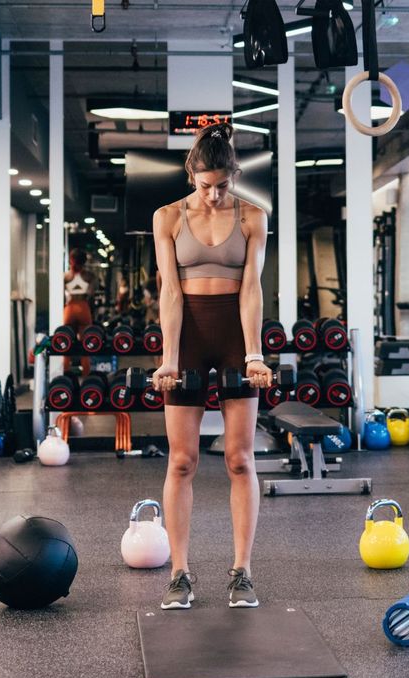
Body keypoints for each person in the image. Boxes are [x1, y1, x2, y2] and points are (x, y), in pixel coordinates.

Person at [150, 122, 271, 610]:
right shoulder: (167, 217)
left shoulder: (253, 216)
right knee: (182, 461)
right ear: (191, 176)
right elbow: (170, 291)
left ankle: (242, 572)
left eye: (224, 184)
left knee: (240, 459)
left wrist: (255, 354)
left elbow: (251, 289)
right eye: (207, 185)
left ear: (234, 177)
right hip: (190, 334)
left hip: (234, 336)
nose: (216, 194)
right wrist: (170, 359)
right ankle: (179, 574)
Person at [63, 247, 99, 374]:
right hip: (83, 307)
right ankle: (86, 376)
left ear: (71, 260)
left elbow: (61, 296)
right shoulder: (90, 276)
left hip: (70, 308)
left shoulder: (66, 276)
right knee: (86, 343)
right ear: (84, 261)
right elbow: (92, 295)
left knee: (65, 342)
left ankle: (65, 373)